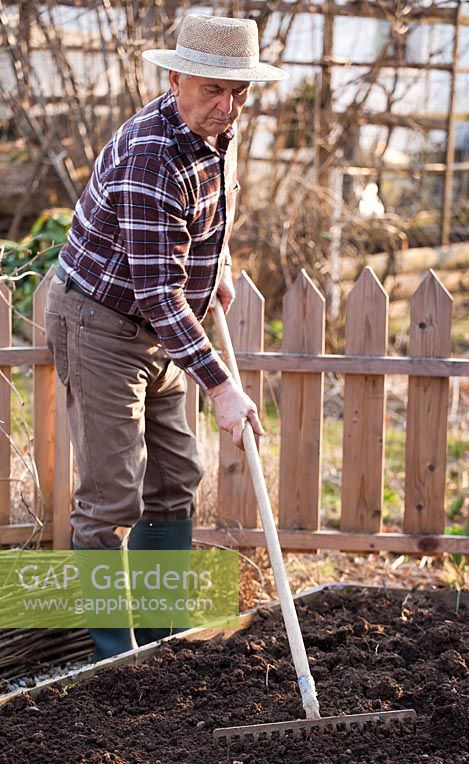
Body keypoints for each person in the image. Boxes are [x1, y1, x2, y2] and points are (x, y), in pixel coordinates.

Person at [44, 14, 287, 660]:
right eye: (214, 90)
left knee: (177, 473)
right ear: (176, 75)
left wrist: (221, 266)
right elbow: (157, 294)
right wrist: (223, 389)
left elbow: (214, 212)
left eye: (238, 92)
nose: (228, 107)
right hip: (100, 320)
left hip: (157, 328)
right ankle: (114, 657)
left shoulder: (219, 128)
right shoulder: (150, 154)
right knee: (111, 494)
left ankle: (161, 639)